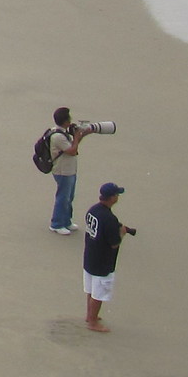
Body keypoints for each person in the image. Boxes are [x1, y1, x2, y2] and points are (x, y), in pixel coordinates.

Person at [83, 182, 135, 333]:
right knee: (98, 293)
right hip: (102, 261)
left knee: (91, 289)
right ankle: (92, 322)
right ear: (111, 198)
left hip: (90, 256)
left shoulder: (92, 210)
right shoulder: (109, 218)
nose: (118, 197)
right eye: (117, 195)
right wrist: (122, 233)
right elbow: (114, 243)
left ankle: (89, 315)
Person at [46, 107, 86, 235]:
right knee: (63, 197)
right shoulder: (58, 136)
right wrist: (76, 136)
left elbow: (74, 145)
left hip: (69, 170)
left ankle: (66, 221)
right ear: (65, 121)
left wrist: (79, 135)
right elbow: (72, 151)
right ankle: (56, 224)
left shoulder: (61, 132)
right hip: (63, 171)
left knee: (69, 197)